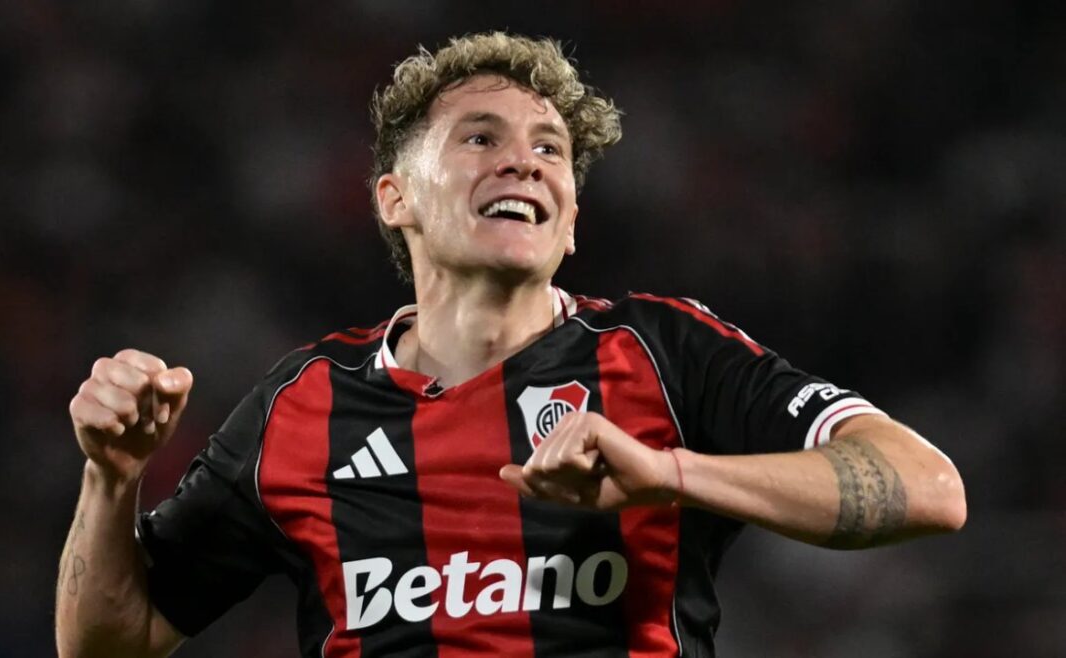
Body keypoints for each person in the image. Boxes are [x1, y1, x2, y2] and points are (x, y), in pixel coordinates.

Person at [56, 32, 966, 657]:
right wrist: (112, 477)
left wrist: (670, 475)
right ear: (394, 198)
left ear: (569, 222)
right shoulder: (302, 405)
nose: (524, 161)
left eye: (550, 150)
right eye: (480, 137)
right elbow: (111, 642)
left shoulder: (661, 352)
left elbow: (930, 488)